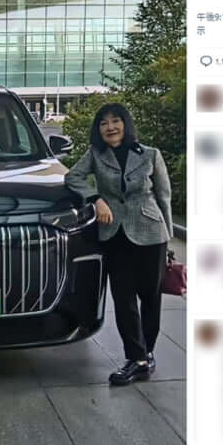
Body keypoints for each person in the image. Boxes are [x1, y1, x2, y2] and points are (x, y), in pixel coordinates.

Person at [64, 103, 173, 385]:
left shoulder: (150, 154)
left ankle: (147, 353)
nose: (110, 127)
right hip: (114, 234)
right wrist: (96, 199)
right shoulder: (96, 154)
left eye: (115, 121)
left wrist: (169, 236)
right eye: (104, 123)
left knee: (151, 296)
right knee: (123, 298)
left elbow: (164, 197)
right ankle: (136, 358)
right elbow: (72, 177)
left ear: (125, 124)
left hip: (151, 233)